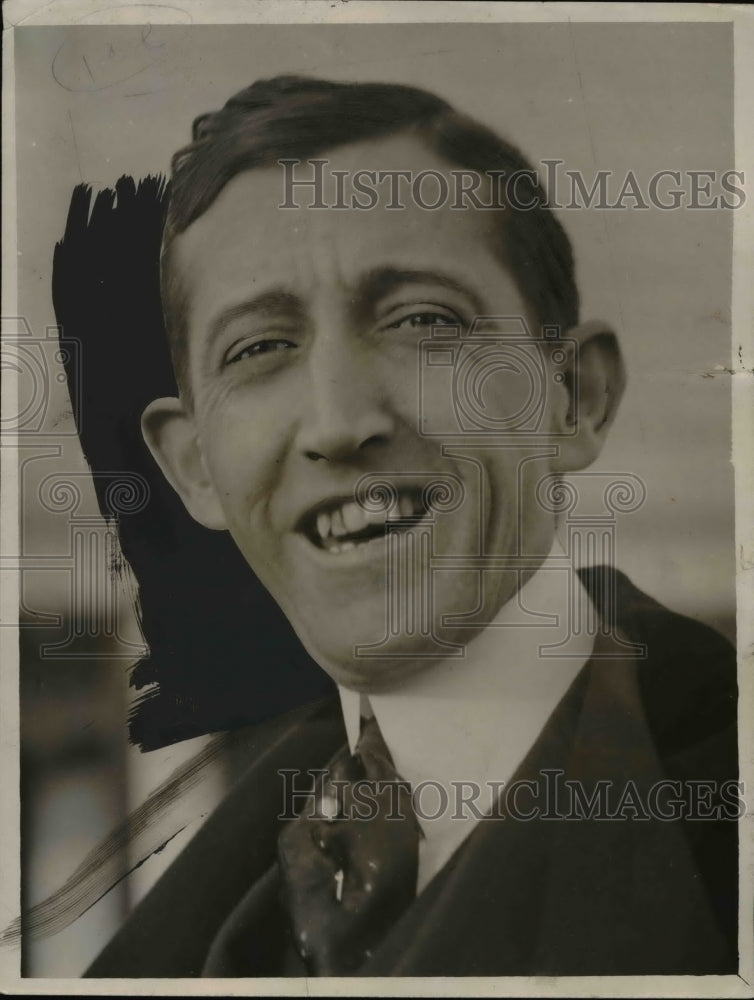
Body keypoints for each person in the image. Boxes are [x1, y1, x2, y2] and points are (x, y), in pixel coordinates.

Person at [85, 75, 738, 977]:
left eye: (423, 320)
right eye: (260, 348)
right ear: (195, 465)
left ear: (573, 398)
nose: (338, 421)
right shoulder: (208, 910)